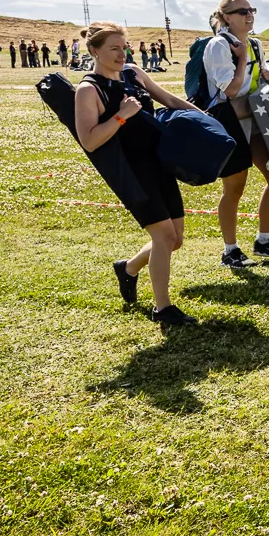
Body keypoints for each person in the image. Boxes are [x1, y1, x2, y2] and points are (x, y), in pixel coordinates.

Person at [73, 22, 201, 325]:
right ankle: (163, 308)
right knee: (164, 236)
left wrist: (204, 117)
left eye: (124, 47)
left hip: (160, 164)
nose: (122, 54)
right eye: (114, 49)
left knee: (175, 239)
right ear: (94, 51)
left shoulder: (133, 73)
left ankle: (128, 268)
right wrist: (121, 116)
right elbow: (89, 140)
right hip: (131, 172)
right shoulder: (88, 90)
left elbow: (169, 99)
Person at [199, 0, 269, 268]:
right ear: (226, 17)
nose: (249, 15)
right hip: (228, 121)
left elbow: (255, 83)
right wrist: (242, 60)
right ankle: (230, 250)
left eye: (251, 9)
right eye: (242, 11)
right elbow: (230, 89)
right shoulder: (218, 45)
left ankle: (264, 241)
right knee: (235, 187)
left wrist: (264, 74)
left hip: (255, 119)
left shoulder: (255, 44)